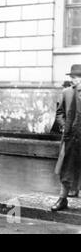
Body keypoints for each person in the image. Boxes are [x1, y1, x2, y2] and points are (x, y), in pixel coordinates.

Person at [52, 65, 81, 211]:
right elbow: (60, 112)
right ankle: (62, 199)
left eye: (75, 78)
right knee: (66, 168)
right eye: (72, 78)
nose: (72, 80)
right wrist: (63, 126)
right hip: (70, 137)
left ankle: (76, 192)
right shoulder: (67, 92)